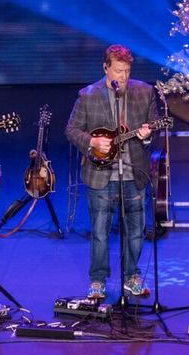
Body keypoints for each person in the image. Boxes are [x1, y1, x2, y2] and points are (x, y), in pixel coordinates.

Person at [65, 44, 156, 302]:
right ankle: (97, 280)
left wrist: (148, 136)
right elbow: (71, 130)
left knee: (136, 231)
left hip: (133, 173)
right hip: (101, 173)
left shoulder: (144, 92)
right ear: (105, 68)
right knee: (100, 232)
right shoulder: (88, 95)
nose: (123, 77)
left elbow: (154, 128)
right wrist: (92, 143)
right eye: (118, 71)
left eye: (127, 71)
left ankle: (131, 277)